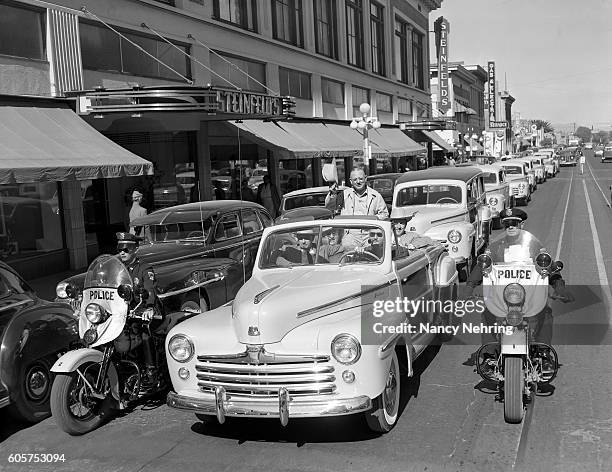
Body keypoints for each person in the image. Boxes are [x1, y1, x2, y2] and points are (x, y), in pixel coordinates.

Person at [465, 208, 573, 346]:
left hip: (530, 294)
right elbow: (482, 264)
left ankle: (543, 350)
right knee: (488, 314)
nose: (510, 227)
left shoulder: (534, 247)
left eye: (514, 223)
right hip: (502, 294)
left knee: (545, 312)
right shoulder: (496, 247)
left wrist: (559, 286)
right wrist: (469, 286)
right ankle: (489, 352)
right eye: (507, 223)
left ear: (522, 225)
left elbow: (547, 265)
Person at [116, 232, 160, 384]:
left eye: (126, 249)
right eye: (120, 248)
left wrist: (149, 307)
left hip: (142, 311)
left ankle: (150, 370)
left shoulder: (144, 268)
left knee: (145, 333)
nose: (122, 252)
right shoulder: (117, 269)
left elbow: (150, 289)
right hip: (123, 311)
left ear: (134, 249)